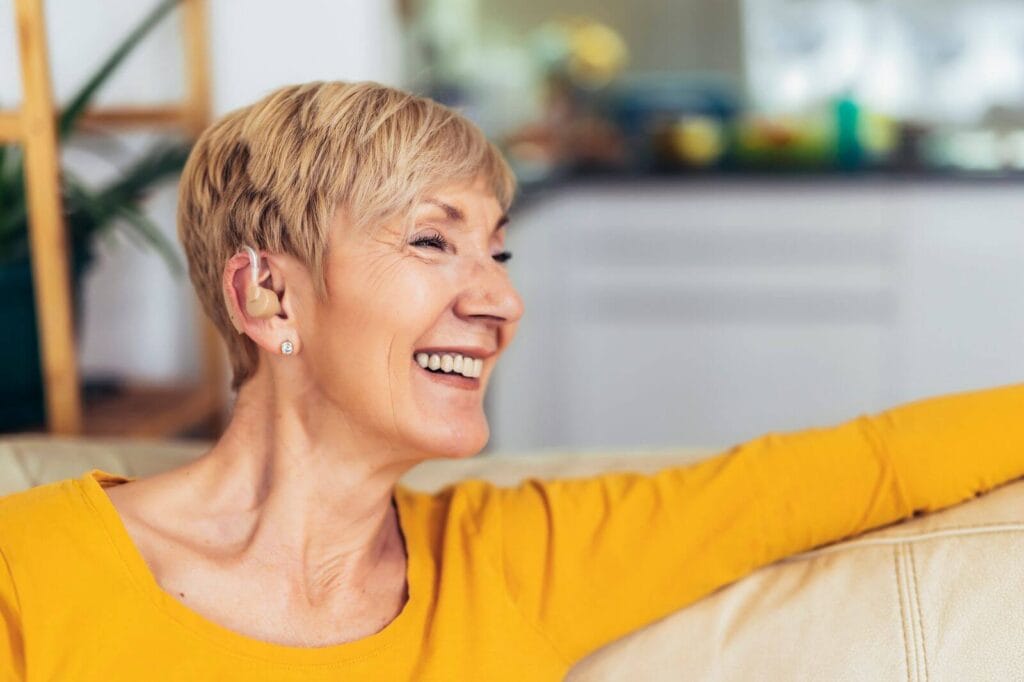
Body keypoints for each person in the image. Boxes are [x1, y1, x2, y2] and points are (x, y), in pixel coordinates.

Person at [1, 81, 1022, 681]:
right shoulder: (28, 572)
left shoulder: (519, 561)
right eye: (432, 242)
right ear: (268, 294)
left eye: (498, 252)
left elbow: (866, 466)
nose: (498, 301)